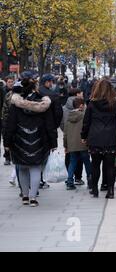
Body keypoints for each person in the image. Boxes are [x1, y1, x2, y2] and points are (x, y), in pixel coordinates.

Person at [4, 78, 57, 207]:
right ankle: (33, 197)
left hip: (19, 140)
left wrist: (7, 141)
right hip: (39, 140)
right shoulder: (43, 104)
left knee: (22, 168)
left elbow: (10, 124)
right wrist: (53, 142)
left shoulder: (16, 103)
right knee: (35, 168)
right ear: (35, 88)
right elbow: (50, 124)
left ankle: (25, 196)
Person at [81, 78, 116, 198]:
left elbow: (86, 122)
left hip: (95, 137)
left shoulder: (91, 103)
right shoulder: (114, 102)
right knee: (110, 166)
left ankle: (95, 189)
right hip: (111, 137)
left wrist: (83, 136)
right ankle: (110, 191)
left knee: (95, 165)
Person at [38, 73, 63, 189]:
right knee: (45, 154)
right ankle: (41, 178)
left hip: (35, 127)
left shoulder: (37, 93)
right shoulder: (53, 95)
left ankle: (35, 179)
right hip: (49, 127)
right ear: (47, 82)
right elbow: (58, 113)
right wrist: (55, 125)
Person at [64, 97, 92, 190]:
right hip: (82, 143)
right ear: (81, 105)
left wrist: (65, 145)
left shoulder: (69, 117)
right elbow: (87, 129)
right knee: (87, 162)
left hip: (71, 144)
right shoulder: (84, 115)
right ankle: (90, 180)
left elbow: (65, 133)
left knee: (72, 162)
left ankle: (69, 181)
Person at [61, 88, 85, 185]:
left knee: (70, 158)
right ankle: (78, 178)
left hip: (69, 136)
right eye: (81, 93)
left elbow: (62, 122)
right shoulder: (83, 107)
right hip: (81, 137)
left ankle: (70, 177)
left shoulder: (64, 108)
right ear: (77, 94)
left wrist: (67, 132)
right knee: (83, 159)